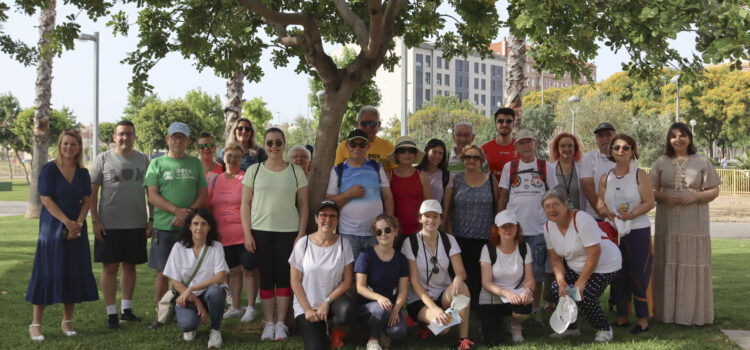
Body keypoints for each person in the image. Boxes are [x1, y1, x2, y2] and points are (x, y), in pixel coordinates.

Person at [26, 129, 99, 341]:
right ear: (59, 145)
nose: (69, 147)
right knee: (46, 271)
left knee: (73, 271)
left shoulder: (83, 173)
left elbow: (87, 199)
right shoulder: (49, 169)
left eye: (73, 144)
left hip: (77, 227)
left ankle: (67, 321)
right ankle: (36, 324)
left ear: (79, 148)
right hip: (52, 228)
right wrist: (67, 222)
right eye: (65, 143)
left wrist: (78, 223)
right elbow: (46, 199)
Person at [650, 122, 721, 326]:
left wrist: (696, 197)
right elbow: (650, 190)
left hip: (694, 221)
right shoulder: (661, 162)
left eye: (682, 135)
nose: (678, 139)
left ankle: (692, 315)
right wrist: (663, 196)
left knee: (692, 260)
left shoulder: (701, 161)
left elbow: (714, 190)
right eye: (673, 136)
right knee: (668, 259)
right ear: (669, 140)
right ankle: (666, 314)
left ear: (689, 138)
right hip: (667, 221)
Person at [242, 127, 309, 341]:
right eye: (269, 143)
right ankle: (268, 323)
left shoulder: (295, 171)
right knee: (266, 277)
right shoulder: (254, 170)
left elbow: (304, 205)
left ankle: (281, 324)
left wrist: (300, 234)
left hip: (288, 232)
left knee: (284, 278)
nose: (274, 147)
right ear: (265, 145)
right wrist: (247, 233)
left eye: (278, 143)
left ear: (284, 144)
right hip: (260, 231)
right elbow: (244, 204)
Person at [144, 122, 208, 329]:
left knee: (192, 271)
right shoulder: (156, 164)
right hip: (164, 227)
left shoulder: (195, 163)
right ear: (167, 139)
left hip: (191, 228)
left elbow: (203, 194)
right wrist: (175, 211)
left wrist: (186, 215)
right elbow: (152, 195)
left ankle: (190, 310)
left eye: (182, 137)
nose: (178, 140)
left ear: (188, 140)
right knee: (162, 273)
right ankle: (161, 315)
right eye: (174, 136)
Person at [90, 120, 152, 329]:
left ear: (134, 136)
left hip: (136, 223)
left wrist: (151, 219)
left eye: (129, 134)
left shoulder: (143, 160)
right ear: (115, 137)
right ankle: (111, 314)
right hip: (109, 224)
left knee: (130, 266)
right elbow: (92, 192)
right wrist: (95, 221)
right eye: (121, 134)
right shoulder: (103, 159)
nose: (125, 137)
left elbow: (150, 193)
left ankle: (126, 310)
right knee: (110, 268)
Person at [542, 190, 622, 342]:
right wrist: (561, 282)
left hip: (605, 263)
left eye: (555, 205)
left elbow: (595, 253)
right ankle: (571, 328)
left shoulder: (582, 219)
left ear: (566, 205)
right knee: (557, 289)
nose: (551, 210)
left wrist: (581, 282)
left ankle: (604, 329)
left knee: (585, 295)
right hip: (579, 266)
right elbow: (555, 259)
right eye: (547, 206)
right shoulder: (547, 227)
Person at [597, 134, 655, 334]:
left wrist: (631, 215)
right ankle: (622, 316)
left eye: (626, 148)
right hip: (614, 232)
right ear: (611, 151)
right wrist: (606, 212)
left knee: (639, 273)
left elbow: (649, 202)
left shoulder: (640, 175)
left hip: (637, 230)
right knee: (618, 275)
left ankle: (643, 319)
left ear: (633, 151)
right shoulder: (606, 177)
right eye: (617, 148)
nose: (621, 151)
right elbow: (600, 203)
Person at [498, 129, 558, 318]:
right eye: (521, 143)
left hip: (539, 229)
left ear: (535, 144)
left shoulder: (545, 166)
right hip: (514, 231)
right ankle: (515, 309)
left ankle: (535, 309)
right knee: (514, 272)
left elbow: (554, 195)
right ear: (516, 147)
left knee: (537, 274)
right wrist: (499, 221)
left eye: (528, 142)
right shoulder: (510, 167)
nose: (525, 146)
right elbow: (503, 196)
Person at [402, 200, 475, 350]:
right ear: (420, 218)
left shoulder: (449, 240)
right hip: (419, 299)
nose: (431, 220)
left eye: (435, 216)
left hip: (443, 294)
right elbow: (414, 282)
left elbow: (461, 272)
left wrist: (457, 279)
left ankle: (463, 341)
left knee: (463, 288)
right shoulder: (410, 242)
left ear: (441, 219)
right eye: (427, 216)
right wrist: (434, 309)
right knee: (443, 328)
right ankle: (425, 325)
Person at [289, 200, 355, 350]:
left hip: (332, 302)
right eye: (323, 215)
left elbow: (347, 281)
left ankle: (335, 328)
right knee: (315, 347)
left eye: (332, 216)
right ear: (316, 218)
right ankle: (323, 331)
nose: (328, 219)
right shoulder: (303, 243)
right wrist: (306, 309)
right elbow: (295, 280)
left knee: (347, 311)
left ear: (337, 220)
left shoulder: (344, 244)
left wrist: (326, 302)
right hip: (308, 306)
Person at [207, 142, 259, 323]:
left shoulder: (247, 178)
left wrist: (250, 233)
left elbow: (253, 205)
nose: (233, 159)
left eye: (238, 156)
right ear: (223, 157)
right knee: (234, 272)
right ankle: (236, 307)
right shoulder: (216, 179)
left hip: (244, 233)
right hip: (223, 235)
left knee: (249, 269)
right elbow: (210, 204)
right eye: (230, 156)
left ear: (242, 159)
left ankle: (251, 307)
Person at [163, 208, 228, 348]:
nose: (199, 227)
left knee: (216, 292)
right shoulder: (178, 247)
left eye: (204, 224)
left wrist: (192, 288)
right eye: (196, 223)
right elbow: (174, 281)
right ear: (189, 226)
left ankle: (216, 330)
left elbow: (221, 277)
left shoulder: (216, 247)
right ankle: (192, 322)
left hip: (208, 293)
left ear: (210, 227)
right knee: (187, 326)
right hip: (188, 298)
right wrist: (196, 300)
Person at [326, 129, 394, 260]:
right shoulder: (337, 170)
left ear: (367, 147)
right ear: (347, 146)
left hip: (377, 232)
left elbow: (388, 196)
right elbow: (329, 202)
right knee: (350, 274)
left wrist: (389, 224)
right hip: (348, 234)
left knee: (376, 274)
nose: (357, 147)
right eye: (353, 144)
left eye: (362, 145)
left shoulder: (377, 167)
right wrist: (348, 194)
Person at [443, 145, 498, 306]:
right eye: (468, 157)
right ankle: (460, 305)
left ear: (482, 160)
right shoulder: (455, 180)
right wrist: (449, 233)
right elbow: (448, 209)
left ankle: (477, 307)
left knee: (480, 275)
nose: (472, 160)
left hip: (484, 237)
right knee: (461, 274)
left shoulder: (491, 180)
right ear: (462, 160)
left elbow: (496, 208)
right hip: (459, 237)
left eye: (476, 157)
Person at [478, 210, 534, 346]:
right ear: (497, 229)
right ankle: (487, 326)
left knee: (526, 304)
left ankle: (515, 325)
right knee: (492, 341)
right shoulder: (488, 249)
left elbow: (530, 279)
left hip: (515, 297)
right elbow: (486, 283)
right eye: (503, 226)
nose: (508, 229)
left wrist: (527, 291)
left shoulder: (524, 247)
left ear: (517, 228)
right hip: (492, 297)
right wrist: (506, 293)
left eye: (511, 226)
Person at [354, 215, 409, 350]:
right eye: (379, 232)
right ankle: (373, 340)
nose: (383, 234)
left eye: (387, 230)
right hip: (368, 307)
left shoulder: (401, 259)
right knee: (381, 308)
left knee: (398, 332)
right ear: (375, 235)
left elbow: (403, 290)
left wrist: (396, 310)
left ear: (396, 231)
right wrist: (379, 297)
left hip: (390, 307)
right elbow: (360, 287)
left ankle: (383, 331)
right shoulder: (366, 256)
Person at [386, 136, 431, 236]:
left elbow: (428, 205)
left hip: (419, 231)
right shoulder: (388, 175)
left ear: (415, 154)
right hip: (395, 232)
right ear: (397, 155)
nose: (407, 154)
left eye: (411, 150)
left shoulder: (422, 175)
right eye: (402, 151)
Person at [580, 122, 618, 220]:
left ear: (616, 137)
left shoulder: (625, 157)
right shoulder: (589, 158)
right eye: (600, 136)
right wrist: (604, 216)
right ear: (596, 140)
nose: (605, 139)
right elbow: (588, 191)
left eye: (609, 135)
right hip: (595, 217)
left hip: (621, 216)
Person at [549, 132, 585, 211]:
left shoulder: (582, 168)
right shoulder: (550, 169)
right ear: (557, 149)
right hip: (556, 216)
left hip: (578, 217)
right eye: (563, 146)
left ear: (575, 148)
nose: (566, 149)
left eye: (570, 146)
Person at [482, 107, 518, 183]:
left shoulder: (521, 148)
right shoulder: (485, 149)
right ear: (495, 124)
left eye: (508, 121)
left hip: (515, 193)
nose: (504, 124)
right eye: (500, 121)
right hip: (491, 193)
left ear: (513, 124)